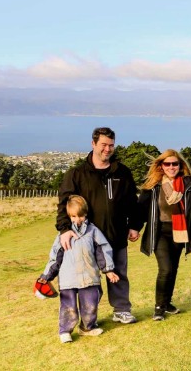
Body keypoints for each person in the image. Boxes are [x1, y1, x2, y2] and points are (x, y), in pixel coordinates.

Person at [56, 127, 139, 324]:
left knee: (118, 274)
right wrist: (64, 229)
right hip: (86, 239)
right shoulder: (76, 174)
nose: (107, 149)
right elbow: (64, 203)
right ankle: (88, 317)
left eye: (111, 145)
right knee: (89, 280)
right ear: (93, 144)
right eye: (103, 145)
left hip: (116, 234)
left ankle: (121, 309)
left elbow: (132, 203)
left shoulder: (122, 172)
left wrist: (134, 225)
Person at [136, 149, 191, 321]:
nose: (171, 167)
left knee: (173, 269)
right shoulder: (154, 187)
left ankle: (167, 303)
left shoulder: (189, 186)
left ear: (180, 165)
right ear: (161, 166)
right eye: (167, 164)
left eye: (174, 163)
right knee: (165, 269)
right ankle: (159, 307)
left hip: (180, 233)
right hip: (159, 232)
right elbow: (140, 210)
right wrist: (134, 228)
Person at [40, 195, 120, 343]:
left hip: (89, 277)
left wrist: (108, 270)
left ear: (86, 214)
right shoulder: (62, 236)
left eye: (81, 216)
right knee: (68, 307)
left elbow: (102, 251)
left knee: (90, 304)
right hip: (68, 279)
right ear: (69, 215)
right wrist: (46, 276)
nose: (77, 220)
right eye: (74, 216)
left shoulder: (93, 231)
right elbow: (55, 257)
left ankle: (87, 327)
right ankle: (65, 331)